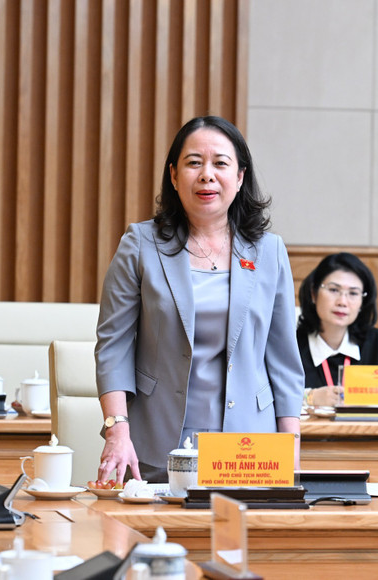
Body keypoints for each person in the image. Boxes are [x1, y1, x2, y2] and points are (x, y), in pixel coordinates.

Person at [95, 116, 304, 483]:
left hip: (249, 449)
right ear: (174, 176)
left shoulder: (269, 251)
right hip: (157, 442)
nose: (207, 174)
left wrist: (292, 447)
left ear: (239, 178)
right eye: (194, 162)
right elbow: (113, 347)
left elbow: (284, 360)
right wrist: (117, 431)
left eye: (220, 163)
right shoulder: (140, 244)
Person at [297, 252, 378, 407]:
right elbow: (271, 398)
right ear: (313, 294)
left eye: (353, 293)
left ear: (362, 302)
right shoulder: (291, 346)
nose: (342, 302)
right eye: (333, 290)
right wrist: (311, 397)